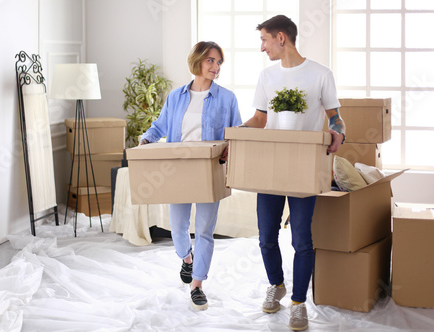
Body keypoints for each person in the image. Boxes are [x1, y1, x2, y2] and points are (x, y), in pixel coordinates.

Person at [239, 15, 346, 331]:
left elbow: (336, 118)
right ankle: (277, 284)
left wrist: (339, 132)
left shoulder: (320, 75)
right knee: (266, 237)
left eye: (264, 40)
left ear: (281, 38)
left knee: (301, 238)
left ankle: (299, 304)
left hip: (304, 168)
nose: (262, 48)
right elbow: (260, 120)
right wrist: (232, 134)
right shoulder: (267, 76)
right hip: (270, 165)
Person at [139, 41, 242, 310]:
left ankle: (197, 285)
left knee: (205, 231)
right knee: (178, 227)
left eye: (219, 62)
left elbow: (237, 132)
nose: (216, 67)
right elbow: (160, 125)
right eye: (211, 61)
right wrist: (146, 140)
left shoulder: (227, 98)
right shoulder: (176, 96)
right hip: (178, 168)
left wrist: (232, 148)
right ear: (197, 61)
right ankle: (186, 259)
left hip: (209, 170)